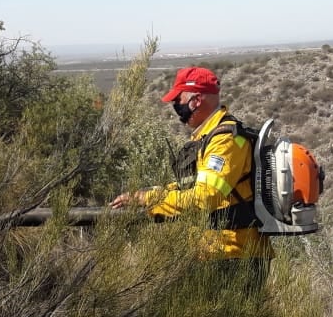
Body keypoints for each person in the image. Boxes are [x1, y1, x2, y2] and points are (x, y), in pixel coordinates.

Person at [110, 66, 273, 287]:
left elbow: (206, 197)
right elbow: (194, 185)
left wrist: (150, 201)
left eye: (179, 100)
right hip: (220, 253)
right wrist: (156, 193)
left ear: (195, 100)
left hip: (233, 256)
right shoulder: (211, 136)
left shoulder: (225, 141)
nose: (176, 107)